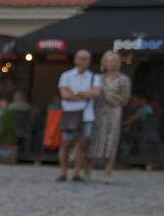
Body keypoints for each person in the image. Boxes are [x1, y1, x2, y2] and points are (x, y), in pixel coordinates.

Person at [85, 50, 130, 184]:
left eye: (113, 61)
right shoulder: (97, 78)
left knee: (111, 142)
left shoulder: (123, 79)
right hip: (97, 111)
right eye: (108, 61)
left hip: (113, 113)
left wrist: (113, 98)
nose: (110, 63)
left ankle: (108, 172)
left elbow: (125, 99)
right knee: (93, 141)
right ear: (103, 63)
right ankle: (87, 169)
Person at [56, 48, 101, 183]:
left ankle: (76, 173)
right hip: (70, 113)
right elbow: (65, 95)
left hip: (87, 115)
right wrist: (84, 94)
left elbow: (95, 93)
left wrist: (74, 93)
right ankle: (63, 172)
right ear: (75, 60)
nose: (84, 61)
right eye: (81, 58)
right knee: (66, 143)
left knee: (83, 144)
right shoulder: (66, 76)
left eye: (87, 59)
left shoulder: (94, 77)